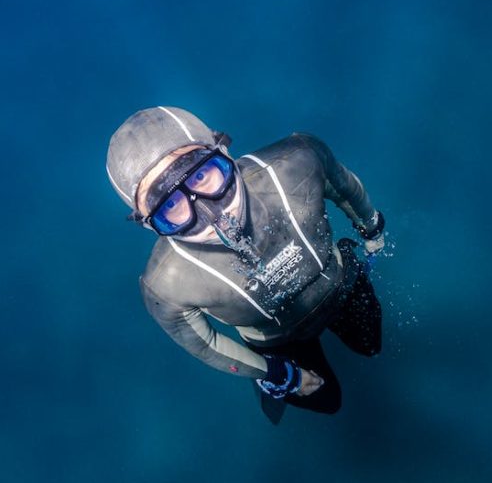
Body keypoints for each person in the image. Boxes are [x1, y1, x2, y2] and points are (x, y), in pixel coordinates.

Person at [106, 106, 385, 418]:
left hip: (338, 288)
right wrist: (274, 372)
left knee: (372, 346)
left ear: (223, 149)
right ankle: (273, 381)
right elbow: (204, 344)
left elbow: (345, 187)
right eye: (170, 204)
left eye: (201, 174)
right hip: (277, 341)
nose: (213, 215)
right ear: (148, 224)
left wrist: (371, 226)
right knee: (328, 402)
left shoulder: (298, 161)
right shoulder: (164, 286)